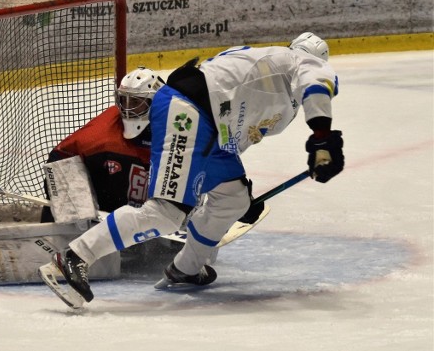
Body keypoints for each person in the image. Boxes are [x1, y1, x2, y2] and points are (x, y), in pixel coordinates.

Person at [39, 32, 344, 305]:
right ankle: (74, 256)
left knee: (234, 199)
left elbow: (237, 123)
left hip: (212, 131)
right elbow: (316, 83)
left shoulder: (277, 89)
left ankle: (185, 269)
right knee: (166, 212)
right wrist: (322, 139)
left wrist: (234, 181)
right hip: (187, 111)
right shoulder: (299, 61)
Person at [39, 67, 162, 223]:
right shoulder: (105, 133)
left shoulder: (174, 132)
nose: (127, 108)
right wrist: (78, 207)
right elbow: (61, 157)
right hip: (103, 217)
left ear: (155, 104)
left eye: (136, 101)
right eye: (124, 100)